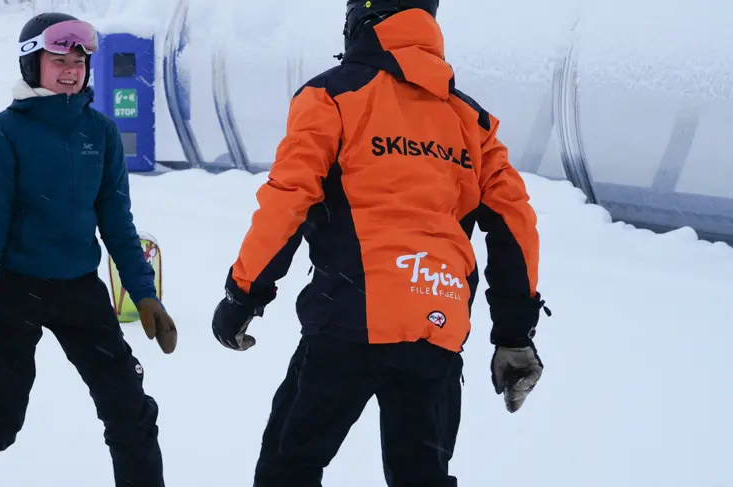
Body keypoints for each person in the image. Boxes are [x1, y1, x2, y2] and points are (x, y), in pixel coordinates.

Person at [210, 1, 550, 486]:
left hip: (346, 319)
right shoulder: (471, 120)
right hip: (435, 324)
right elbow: (514, 222)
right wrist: (514, 334)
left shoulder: (332, 95)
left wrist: (244, 294)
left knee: (289, 468)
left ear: (361, 20)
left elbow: (289, 200)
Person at [0, 12, 178, 487]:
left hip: (79, 289)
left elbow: (117, 222)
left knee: (129, 411)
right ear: (31, 64)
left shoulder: (100, 132)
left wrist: (144, 293)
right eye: (59, 60)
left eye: (79, 60)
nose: (71, 70)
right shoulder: (3, 131)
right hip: (15, 290)